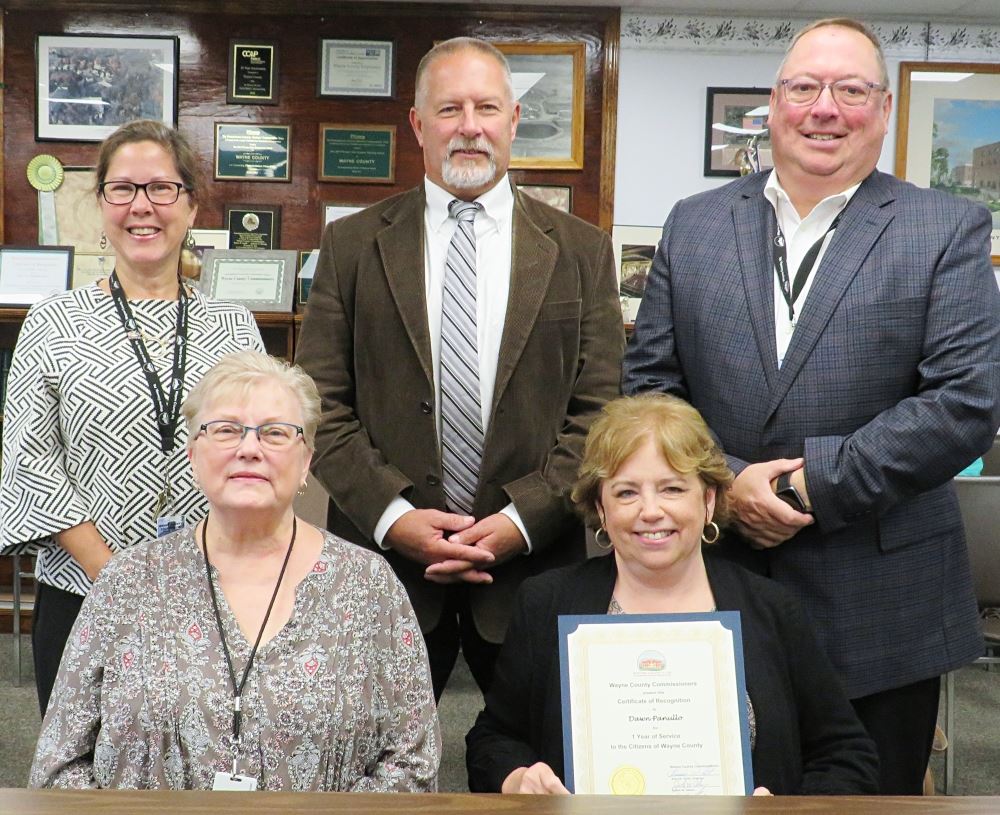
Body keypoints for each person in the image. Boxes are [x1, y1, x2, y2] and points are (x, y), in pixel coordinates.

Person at [623, 18, 1000, 795]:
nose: (825, 107)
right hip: (716, 579)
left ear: (884, 110)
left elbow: (965, 401)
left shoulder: (946, 227)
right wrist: (726, 482)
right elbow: (650, 390)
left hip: (880, 602)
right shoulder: (694, 224)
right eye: (805, 87)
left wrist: (805, 487)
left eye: (851, 90)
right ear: (774, 104)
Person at [295, 37, 623, 700]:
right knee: (365, 783)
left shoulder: (582, 251)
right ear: (418, 125)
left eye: (486, 107)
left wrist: (520, 520)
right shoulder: (353, 245)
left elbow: (601, 412)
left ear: (513, 121)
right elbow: (318, 404)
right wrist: (395, 514)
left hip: (536, 568)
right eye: (449, 109)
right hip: (382, 569)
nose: (469, 126)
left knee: (541, 775)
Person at [29, 351, 440, 791]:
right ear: (193, 454)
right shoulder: (127, 581)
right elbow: (59, 764)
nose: (249, 449)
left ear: (306, 460)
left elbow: (413, 763)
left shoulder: (368, 584)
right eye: (225, 430)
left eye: (276, 433)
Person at [465, 393, 879, 795]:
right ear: (602, 510)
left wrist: (784, 814)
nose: (650, 511)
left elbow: (846, 756)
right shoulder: (546, 604)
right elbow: (493, 740)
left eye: (672, 489)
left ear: (709, 500)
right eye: (626, 492)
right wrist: (518, 778)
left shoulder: (772, 607)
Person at [0, 119, 265, 715]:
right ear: (101, 205)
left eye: (161, 189)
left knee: (202, 768)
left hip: (212, 593)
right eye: (122, 189)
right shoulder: (53, 322)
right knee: (83, 780)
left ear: (191, 206)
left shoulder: (234, 327)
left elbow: (253, 456)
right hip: (84, 592)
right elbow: (31, 464)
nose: (141, 206)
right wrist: (118, 576)